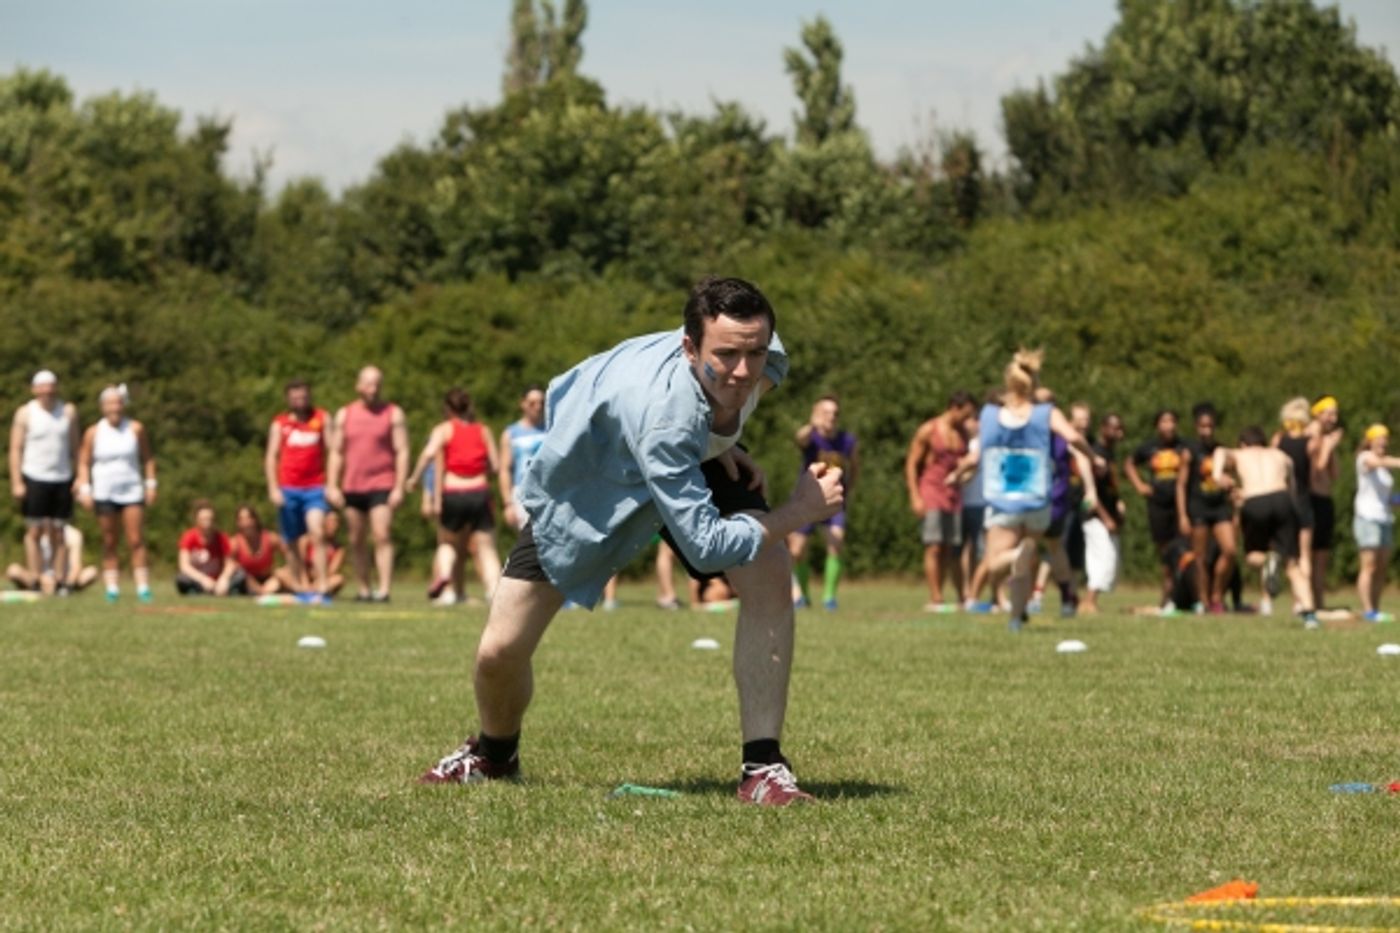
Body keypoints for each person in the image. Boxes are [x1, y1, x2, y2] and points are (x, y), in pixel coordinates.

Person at [418, 276, 844, 806]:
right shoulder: (665, 419)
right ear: (690, 347)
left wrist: (717, 443)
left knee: (770, 571)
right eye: (726, 355)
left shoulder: (763, 356)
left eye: (754, 353)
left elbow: (727, 398)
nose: (742, 371)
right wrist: (801, 510)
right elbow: (707, 545)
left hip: (682, 454)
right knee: (498, 652)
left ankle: (763, 766)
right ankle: (493, 754)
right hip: (594, 481)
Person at [960, 350, 1097, 632]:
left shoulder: (988, 415)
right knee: (1026, 560)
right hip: (1037, 500)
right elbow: (1073, 437)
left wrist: (957, 473)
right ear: (1033, 383)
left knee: (997, 561)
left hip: (1002, 499)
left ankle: (1016, 560)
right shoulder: (1046, 413)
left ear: (1008, 383)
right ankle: (1015, 620)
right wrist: (1094, 457)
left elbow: (976, 456)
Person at [1212, 426, 1317, 627]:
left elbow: (1220, 452)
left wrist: (1218, 476)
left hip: (1254, 501)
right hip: (1283, 500)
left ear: (1243, 444)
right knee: (1292, 564)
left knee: (1252, 556)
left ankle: (1268, 559)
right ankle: (1310, 613)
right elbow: (1293, 487)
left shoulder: (1240, 453)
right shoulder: (1281, 455)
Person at [326, 366, 409, 602]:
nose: (373, 389)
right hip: (352, 485)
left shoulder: (393, 413)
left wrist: (399, 486)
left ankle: (383, 590)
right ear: (359, 386)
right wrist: (332, 484)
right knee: (356, 538)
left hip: (382, 482)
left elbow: (402, 450)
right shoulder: (345, 414)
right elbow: (336, 452)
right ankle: (363, 589)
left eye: (377, 384)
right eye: (369, 384)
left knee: (382, 534)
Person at [74, 384, 156, 603]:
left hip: (131, 489)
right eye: (110, 403)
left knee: (136, 539)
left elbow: (147, 458)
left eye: (118, 402)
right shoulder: (94, 432)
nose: (114, 407)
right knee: (109, 540)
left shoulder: (136, 429)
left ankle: (143, 587)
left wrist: (151, 484)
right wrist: (85, 488)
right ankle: (112, 587)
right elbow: (83, 462)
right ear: (103, 406)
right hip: (104, 490)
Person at [420, 388, 502, 606]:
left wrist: (413, 479)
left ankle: (445, 577)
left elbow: (429, 456)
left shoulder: (444, 429)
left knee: (447, 544)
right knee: (487, 548)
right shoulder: (483, 430)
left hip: (453, 492)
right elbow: (496, 465)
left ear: (447, 408)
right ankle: (493, 590)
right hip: (479, 491)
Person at [9, 370, 80, 596]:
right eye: (42, 386)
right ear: (35, 389)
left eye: (50, 386)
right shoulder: (25, 413)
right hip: (34, 476)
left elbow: (75, 449)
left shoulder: (67, 412)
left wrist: (80, 477)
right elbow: (15, 449)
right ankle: (36, 579)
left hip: (61, 478)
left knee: (59, 531)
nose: (47, 391)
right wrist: (17, 481)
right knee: (35, 531)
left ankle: (59, 581)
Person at [906, 391, 976, 612]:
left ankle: (948, 594)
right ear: (954, 407)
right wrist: (915, 496)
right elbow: (911, 464)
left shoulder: (963, 433)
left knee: (950, 547)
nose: (967, 419)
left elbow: (967, 465)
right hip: (931, 490)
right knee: (934, 545)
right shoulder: (929, 430)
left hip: (953, 494)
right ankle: (935, 597)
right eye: (965, 414)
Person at [789, 395, 858, 610]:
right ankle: (803, 595)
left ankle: (829, 598)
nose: (832, 417)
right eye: (826, 412)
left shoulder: (847, 441)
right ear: (817, 413)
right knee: (797, 550)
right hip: (807, 498)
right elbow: (799, 438)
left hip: (833, 500)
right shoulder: (812, 437)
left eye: (835, 413)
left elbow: (855, 467)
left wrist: (849, 491)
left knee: (836, 543)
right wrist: (812, 424)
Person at [266, 379, 332, 597]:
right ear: (288, 399)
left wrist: (332, 484)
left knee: (317, 532)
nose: (299, 401)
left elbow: (333, 452)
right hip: (288, 488)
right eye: (295, 397)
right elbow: (271, 456)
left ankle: (322, 584)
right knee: (291, 540)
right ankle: (298, 585)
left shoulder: (322, 419)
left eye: (303, 396)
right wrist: (273, 488)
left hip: (315, 487)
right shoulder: (280, 423)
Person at [1177, 402, 1236, 614]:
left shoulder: (1220, 450)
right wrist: (1183, 515)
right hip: (1198, 507)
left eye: (1210, 426)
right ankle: (1202, 600)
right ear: (1196, 427)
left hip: (1219, 507)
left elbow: (1229, 478)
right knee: (1199, 557)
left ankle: (1216, 595)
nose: (1206, 431)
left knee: (1230, 550)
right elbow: (1181, 485)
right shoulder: (1189, 451)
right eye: (1203, 426)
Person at [1125, 409, 1185, 608]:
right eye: (1164, 421)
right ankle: (1167, 592)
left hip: (1180, 505)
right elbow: (1129, 463)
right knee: (1165, 552)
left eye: (1172, 421)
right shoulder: (1149, 447)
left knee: (1182, 549)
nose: (1168, 425)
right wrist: (1140, 486)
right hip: (1158, 504)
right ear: (1157, 425)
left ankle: (1181, 593)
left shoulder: (1184, 446)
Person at [1079, 412, 1126, 614]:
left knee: (1111, 559)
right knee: (1103, 557)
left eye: (1120, 428)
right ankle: (1088, 602)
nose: (1119, 433)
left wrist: (1118, 505)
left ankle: (1090, 602)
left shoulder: (1110, 454)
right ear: (1103, 429)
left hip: (1107, 514)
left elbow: (1109, 487)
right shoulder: (1096, 454)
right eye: (1114, 428)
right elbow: (1090, 491)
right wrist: (1106, 517)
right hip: (1095, 516)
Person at [1353, 424, 1398, 623]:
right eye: (1379, 437)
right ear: (1370, 440)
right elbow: (1375, 462)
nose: (1383, 441)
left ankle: (1376, 610)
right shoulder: (1365, 458)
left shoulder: (1385, 470)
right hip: (1367, 517)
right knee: (1368, 566)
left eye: (1385, 437)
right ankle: (1368, 610)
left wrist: (1395, 501)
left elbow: (1384, 497)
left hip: (1385, 518)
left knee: (1381, 567)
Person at [1272, 397, 1315, 603]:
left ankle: (1267, 601)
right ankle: (1304, 601)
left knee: (1281, 554)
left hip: (1282, 500)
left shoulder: (1278, 440)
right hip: (1303, 499)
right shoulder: (1310, 443)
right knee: (1304, 555)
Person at [1306, 396, 1345, 610]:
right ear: (1318, 414)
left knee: (1322, 556)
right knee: (1310, 556)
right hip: (1311, 499)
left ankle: (1319, 603)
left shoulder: (1325, 437)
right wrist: (1329, 446)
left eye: (1335, 413)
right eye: (1329, 413)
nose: (1333, 418)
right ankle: (1307, 602)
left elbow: (1335, 474)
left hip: (1324, 499)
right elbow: (1317, 469)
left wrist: (1332, 447)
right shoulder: (1312, 434)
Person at [498, 385, 547, 532]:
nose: (537, 407)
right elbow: (505, 469)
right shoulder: (511, 433)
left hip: (548, 491)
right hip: (522, 492)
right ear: (523, 403)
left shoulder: (552, 429)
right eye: (532, 403)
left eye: (541, 403)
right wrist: (508, 504)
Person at [175, 500, 243, 596]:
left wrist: (223, 579)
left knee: (240, 575)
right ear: (197, 520)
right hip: (198, 579)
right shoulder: (189, 537)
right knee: (181, 578)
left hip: (218, 580)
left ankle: (221, 591)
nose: (207, 522)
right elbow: (184, 566)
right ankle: (200, 591)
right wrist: (203, 579)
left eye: (210, 519)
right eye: (204, 519)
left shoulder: (222, 538)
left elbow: (230, 563)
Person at [7, 524, 98, 593]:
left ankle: (64, 588)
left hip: (65, 578)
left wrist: (65, 582)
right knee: (13, 570)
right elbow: (31, 565)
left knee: (91, 572)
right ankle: (37, 587)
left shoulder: (73, 534)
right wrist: (42, 579)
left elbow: (76, 567)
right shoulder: (33, 534)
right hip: (39, 578)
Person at [231, 505, 291, 596]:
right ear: (238, 523)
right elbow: (230, 565)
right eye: (241, 520)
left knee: (284, 574)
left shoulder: (270, 538)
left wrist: (278, 575)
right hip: (246, 583)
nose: (246, 523)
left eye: (249, 518)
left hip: (270, 581)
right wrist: (254, 585)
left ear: (255, 520)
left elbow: (292, 558)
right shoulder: (235, 543)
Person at [288, 509, 346, 596]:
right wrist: (305, 583)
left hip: (321, 580)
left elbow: (331, 571)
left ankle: (314, 591)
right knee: (281, 573)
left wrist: (315, 584)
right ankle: (303, 590)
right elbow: (300, 564)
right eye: (330, 521)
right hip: (303, 578)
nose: (334, 525)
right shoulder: (306, 540)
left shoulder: (339, 548)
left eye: (336, 522)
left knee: (339, 579)